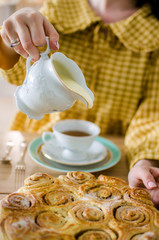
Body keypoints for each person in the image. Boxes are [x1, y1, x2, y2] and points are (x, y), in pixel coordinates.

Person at [0, 0, 159, 207]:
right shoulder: (58, 11)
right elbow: (18, 74)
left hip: (111, 172)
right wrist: (10, 39)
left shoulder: (152, 35)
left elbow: (152, 115)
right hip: (37, 159)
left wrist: (144, 162)